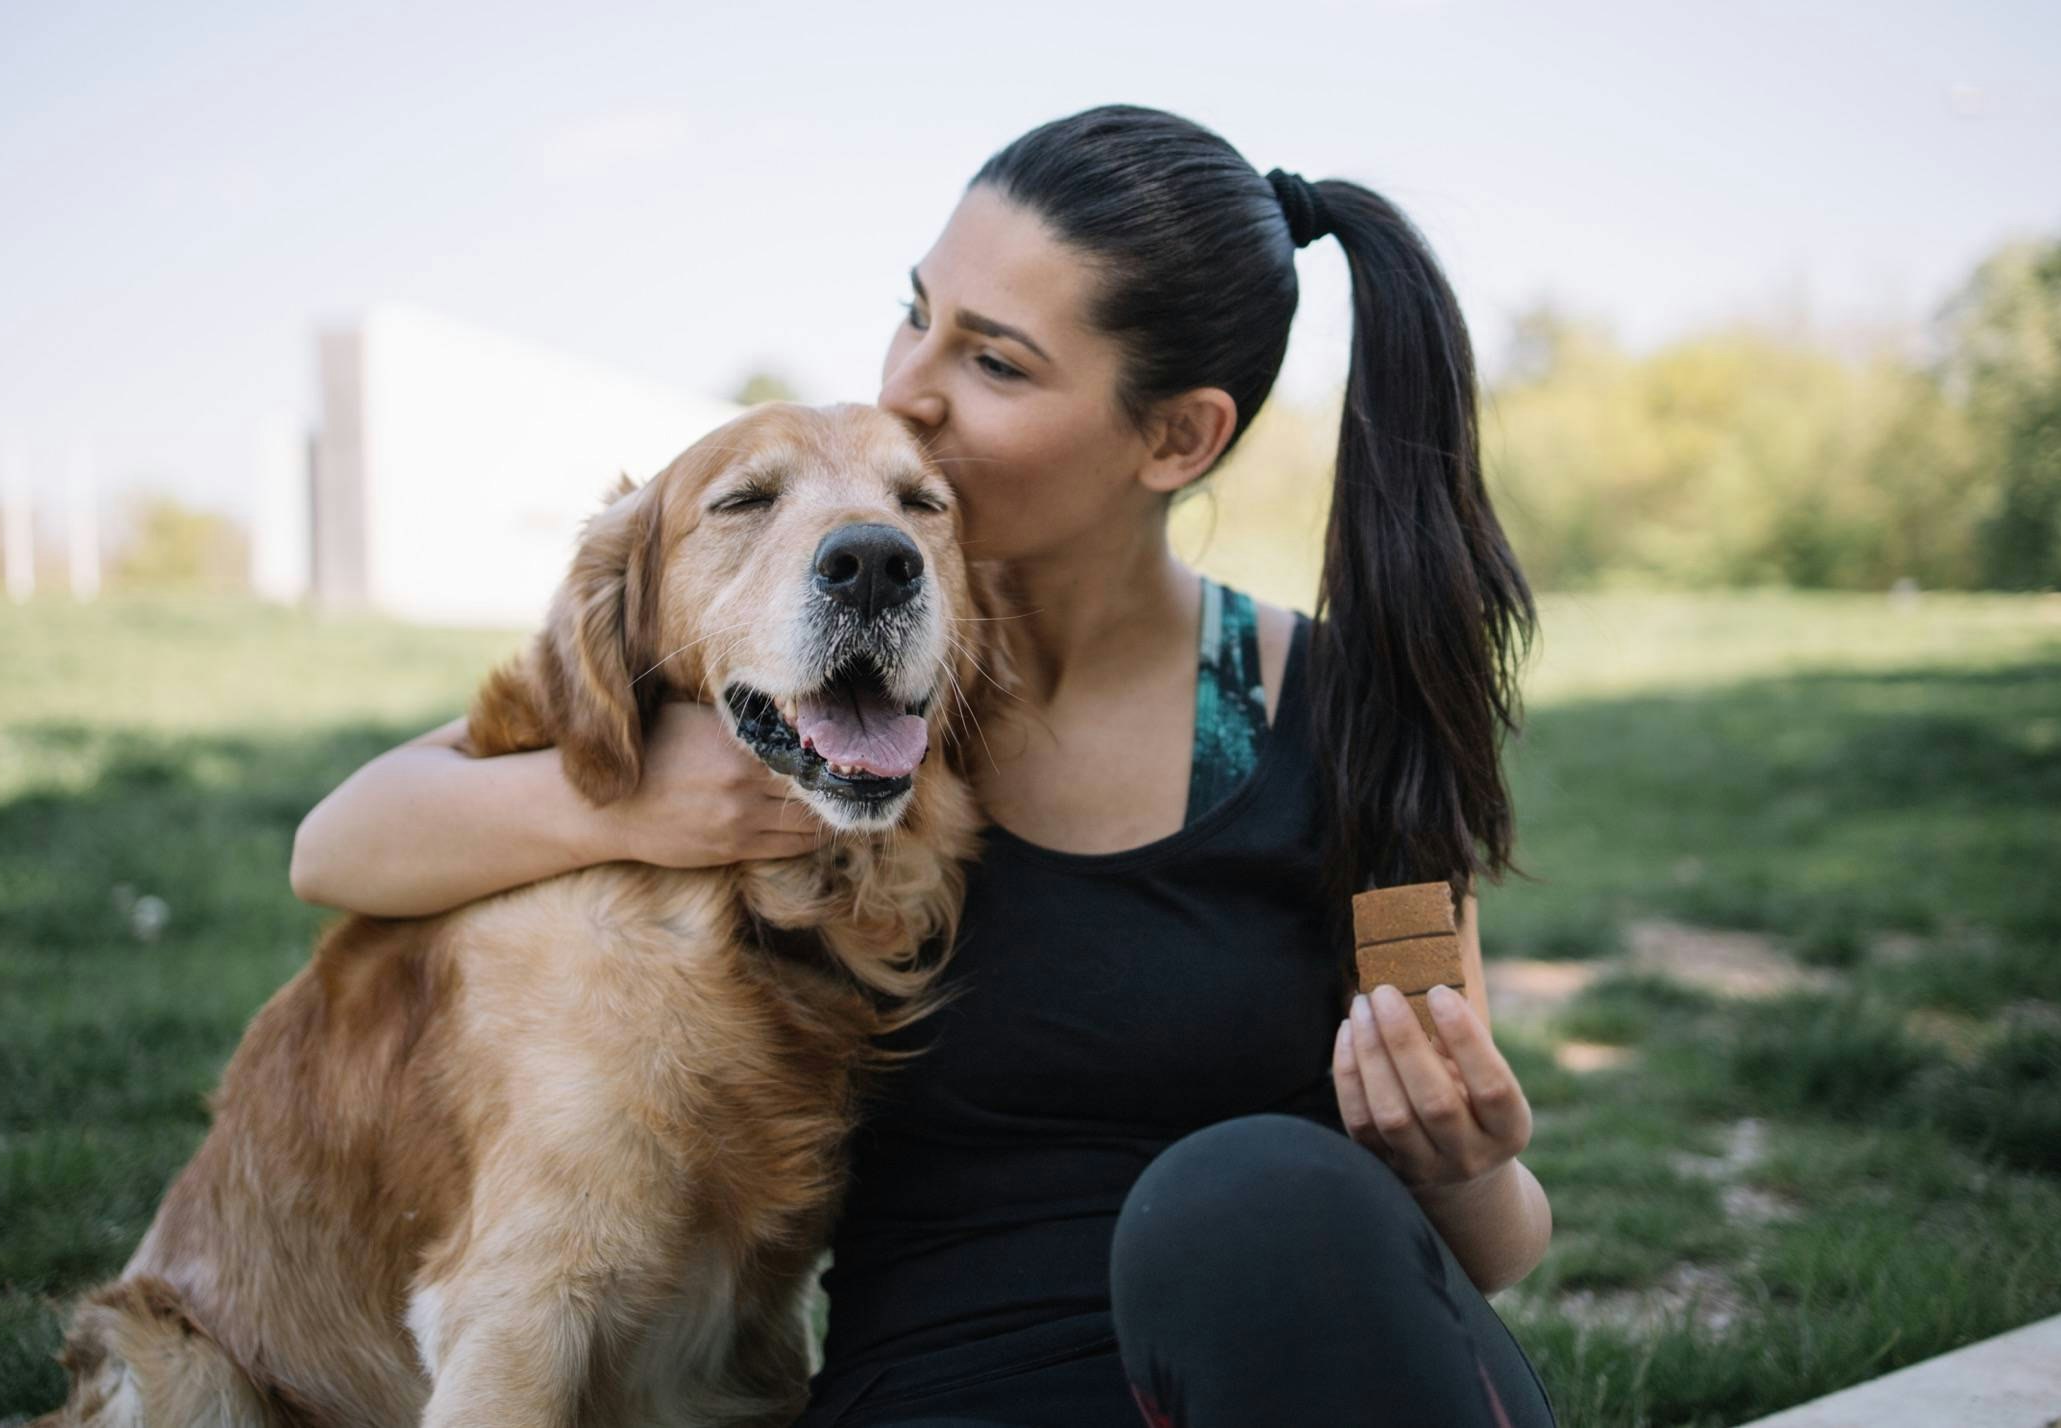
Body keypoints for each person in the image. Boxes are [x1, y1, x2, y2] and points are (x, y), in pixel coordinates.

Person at [291, 104, 1555, 1428]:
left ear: (1175, 438)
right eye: (916, 312)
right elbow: (342, 843)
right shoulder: (802, 684)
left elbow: (1492, 1244)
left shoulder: (1346, 712)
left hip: (1291, 1378)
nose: (908, 388)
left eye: (995, 363)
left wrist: (1464, 1163)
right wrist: (642, 804)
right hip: (945, 1395)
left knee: (1253, 1194)